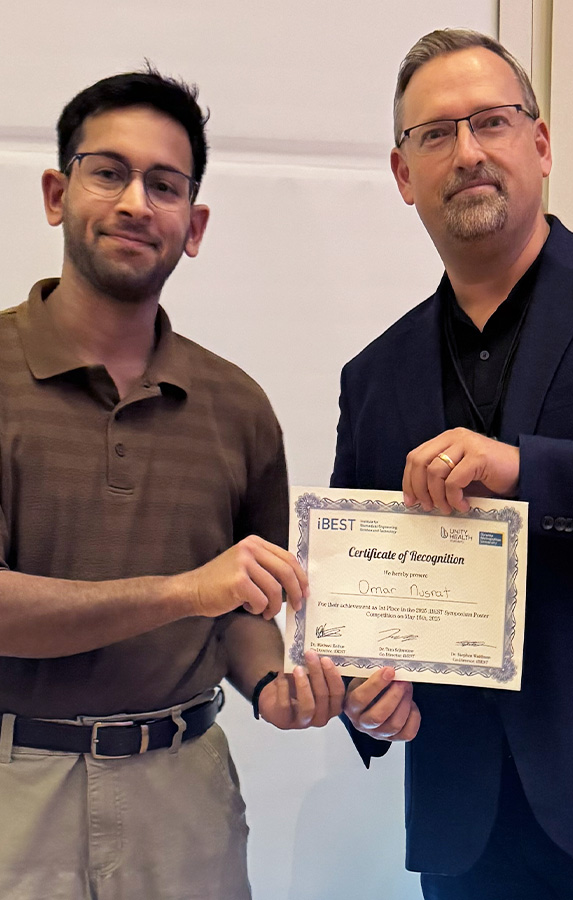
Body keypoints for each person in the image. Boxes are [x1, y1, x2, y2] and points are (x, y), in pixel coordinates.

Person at [0, 69, 343, 900]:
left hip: (186, 792)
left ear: (194, 225)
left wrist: (274, 686)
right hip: (18, 789)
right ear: (57, 192)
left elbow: (243, 614)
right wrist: (184, 591)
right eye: (107, 172)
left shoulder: (238, 406)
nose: (134, 203)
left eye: (164, 185)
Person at [332, 29, 573, 899]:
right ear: (404, 175)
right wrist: (361, 695)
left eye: (491, 121)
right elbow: (357, 591)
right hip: (459, 815)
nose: (469, 152)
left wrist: (525, 468)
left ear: (542, 143)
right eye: (435, 134)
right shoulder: (373, 377)